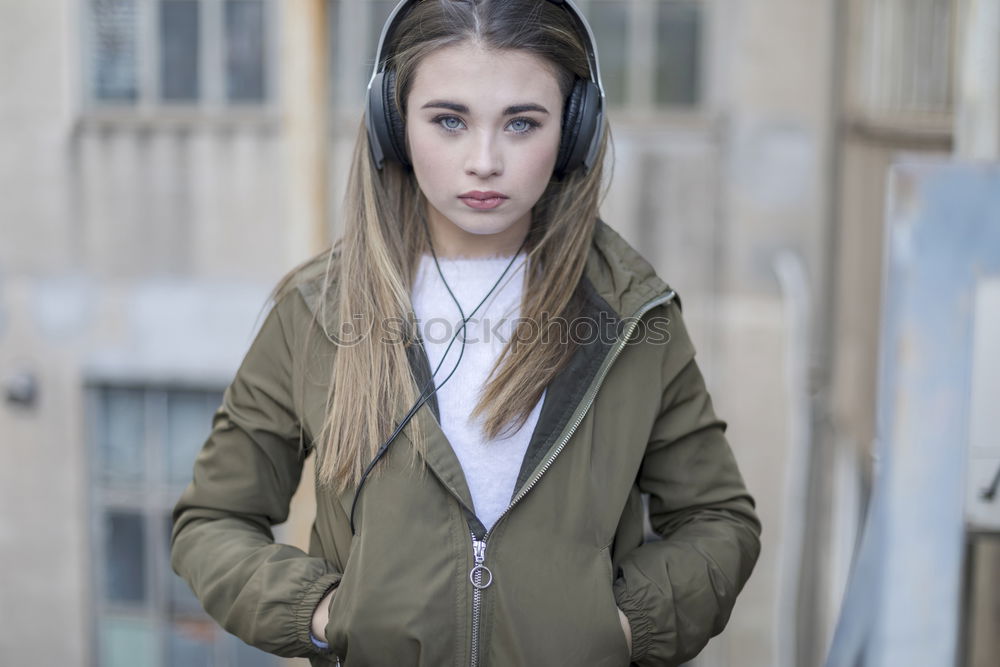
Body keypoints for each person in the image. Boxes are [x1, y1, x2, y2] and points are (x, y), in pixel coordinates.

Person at [170, 1, 762, 665]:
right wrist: (323, 613)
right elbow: (212, 519)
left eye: (522, 123)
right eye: (449, 120)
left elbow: (719, 521)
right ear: (391, 124)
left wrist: (619, 626)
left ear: (575, 131)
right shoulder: (317, 313)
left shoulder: (633, 316)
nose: (484, 160)